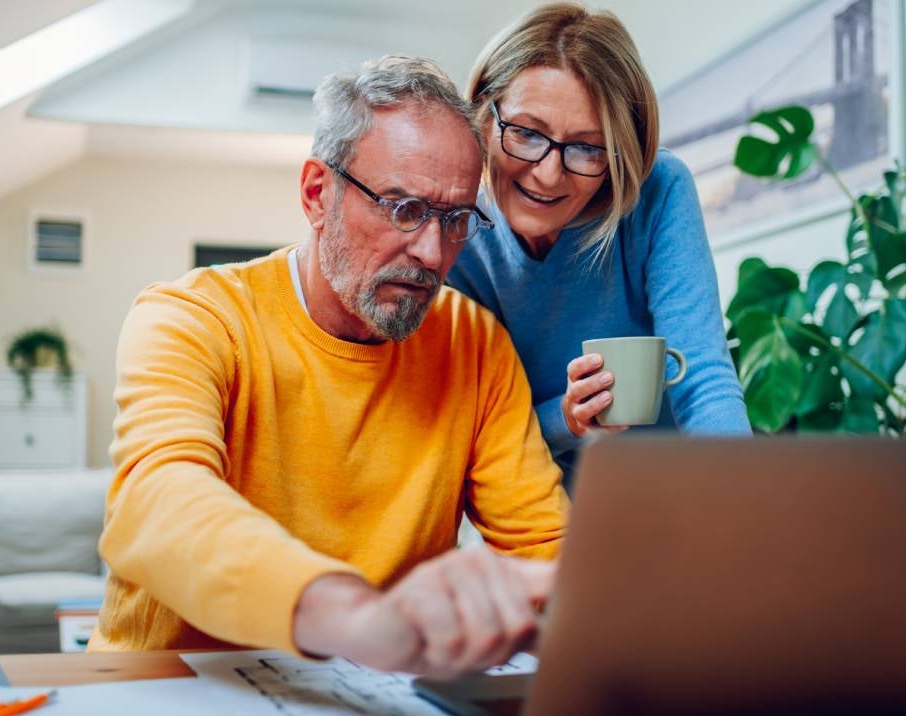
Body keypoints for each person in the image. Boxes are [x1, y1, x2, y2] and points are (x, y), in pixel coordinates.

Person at [89, 55, 569, 679]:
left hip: (375, 693)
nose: (431, 252)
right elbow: (158, 504)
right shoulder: (193, 317)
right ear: (318, 193)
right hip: (167, 687)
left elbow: (546, 552)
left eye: (455, 220)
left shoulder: (474, 344)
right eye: (404, 209)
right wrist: (360, 620)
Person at [447, 3, 751, 487]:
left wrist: (748, 499)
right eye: (526, 133)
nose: (548, 174)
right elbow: (475, 438)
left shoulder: (658, 192)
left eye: (587, 148)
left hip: (679, 494)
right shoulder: (454, 236)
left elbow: (704, 381)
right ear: (483, 113)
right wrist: (564, 418)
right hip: (543, 515)